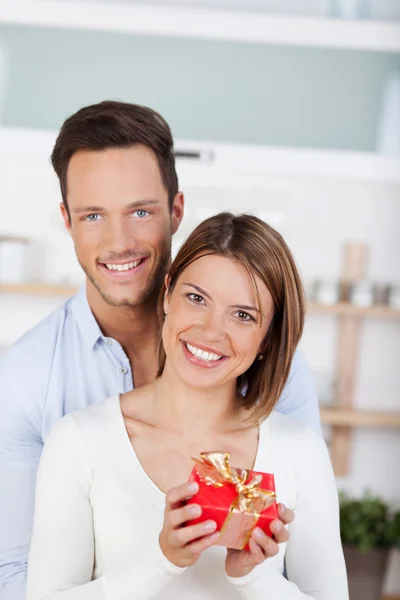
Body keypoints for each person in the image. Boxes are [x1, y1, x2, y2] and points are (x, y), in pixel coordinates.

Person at [0, 102, 321, 600]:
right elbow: (15, 576)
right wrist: (160, 566)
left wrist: (252, 572)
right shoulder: (26, 381)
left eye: (142, 211)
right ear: (67, 220)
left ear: (176, 210)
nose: (119, 241)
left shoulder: (269, 366)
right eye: (93, 215)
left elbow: (302, 555)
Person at [27, 212, 348, 600]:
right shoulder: (79, 440)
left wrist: (252, 576)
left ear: (267, 339)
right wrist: (163, 561)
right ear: (167, 295)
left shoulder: (300, 451)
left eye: (243, 315)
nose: (210, 331)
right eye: (196, 298)